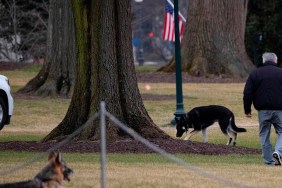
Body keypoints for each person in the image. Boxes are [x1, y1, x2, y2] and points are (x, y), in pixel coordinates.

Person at [243, 52, 282, 165]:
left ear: (263, 60)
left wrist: (247, 109)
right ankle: (278, 152)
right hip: (279, 110)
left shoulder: (255, 73)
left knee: (264, 134)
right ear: (275, 60)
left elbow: (247, 93)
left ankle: (268, 161)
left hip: (263, 110)